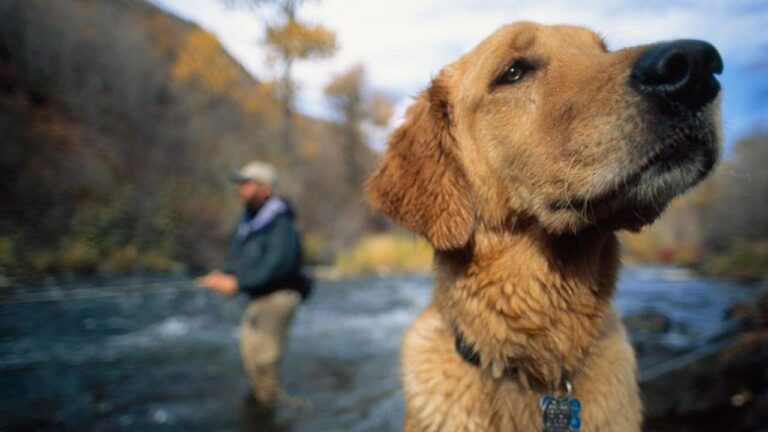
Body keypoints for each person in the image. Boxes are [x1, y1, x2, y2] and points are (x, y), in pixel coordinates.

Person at [197, 161, 311, 406]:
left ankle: (272, 406)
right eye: (239, 183)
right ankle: (263, 401)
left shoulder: (281, 223)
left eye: (246, 183)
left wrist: (237, 284)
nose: (240, 188)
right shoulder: (250, 220)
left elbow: (279, 266)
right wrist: (223, 274)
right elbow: (242, 260)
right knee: (250, 353)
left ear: (265, 188)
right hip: (258, 295)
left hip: (279, 297)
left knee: (264, 358)